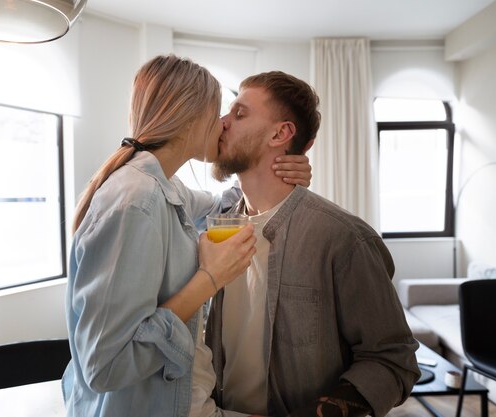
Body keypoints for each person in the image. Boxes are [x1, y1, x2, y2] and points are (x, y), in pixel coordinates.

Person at [62, 55, 311, 417]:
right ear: (191, 117)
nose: (223, 125)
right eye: (219, 113)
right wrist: (209, 280)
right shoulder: (137, 201)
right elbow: (105, 367)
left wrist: (280, 170)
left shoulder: (166, 189)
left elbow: (224, 204)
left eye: (235, 115)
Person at [205, 72, 421, 417]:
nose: (222, 123)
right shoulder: (214, 227)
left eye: (239, 113)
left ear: (280, 133)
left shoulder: (343, 238)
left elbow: (393, 359)